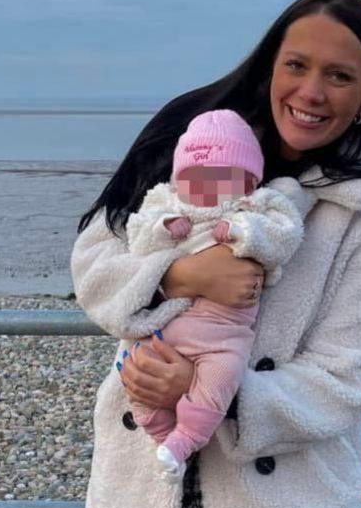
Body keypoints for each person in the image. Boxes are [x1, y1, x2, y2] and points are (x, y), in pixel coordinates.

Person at [71, 0, 361, 508]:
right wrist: (178, 276)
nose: (312, 92)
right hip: (139, 475)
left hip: (282, 491)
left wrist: (208, 391)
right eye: (296, 65)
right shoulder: (188, 137)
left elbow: (348, 377)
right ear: (270, 67)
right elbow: (92, 265)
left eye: (339, 76)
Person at [123, 108, 306, 480]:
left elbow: (284, 237)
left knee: (220, 376)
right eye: (197, 177)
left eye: (224, 177)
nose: (209, 187)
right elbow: (136, 235)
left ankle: (185, 438)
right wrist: (165, 231)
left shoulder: (255, 208)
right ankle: (162, 438)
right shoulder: (167, 204)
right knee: (137, 374)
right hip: (167, 326)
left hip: (224, 334)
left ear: (249, 182)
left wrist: (242, 233)